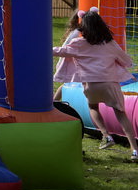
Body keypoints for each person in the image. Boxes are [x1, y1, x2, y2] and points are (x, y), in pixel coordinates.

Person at [53, 9, 138, 161]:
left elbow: (61, 51)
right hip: (110, 84)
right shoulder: (109, 43)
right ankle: (134, 150)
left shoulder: (79, 43)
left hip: (91, 85)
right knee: (121, 113)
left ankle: (106, 135)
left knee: (93, 107)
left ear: (84, 28)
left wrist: (42, 48)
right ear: (101, 26)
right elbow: (125, 60)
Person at [53, 10, 83, 101]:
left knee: (70, 85)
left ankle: (56, 101)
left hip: (75, 62)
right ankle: (55, 101)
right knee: (69, 85)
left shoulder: (77, 31)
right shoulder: (77, 32)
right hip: (72, 63)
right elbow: (67, 48)